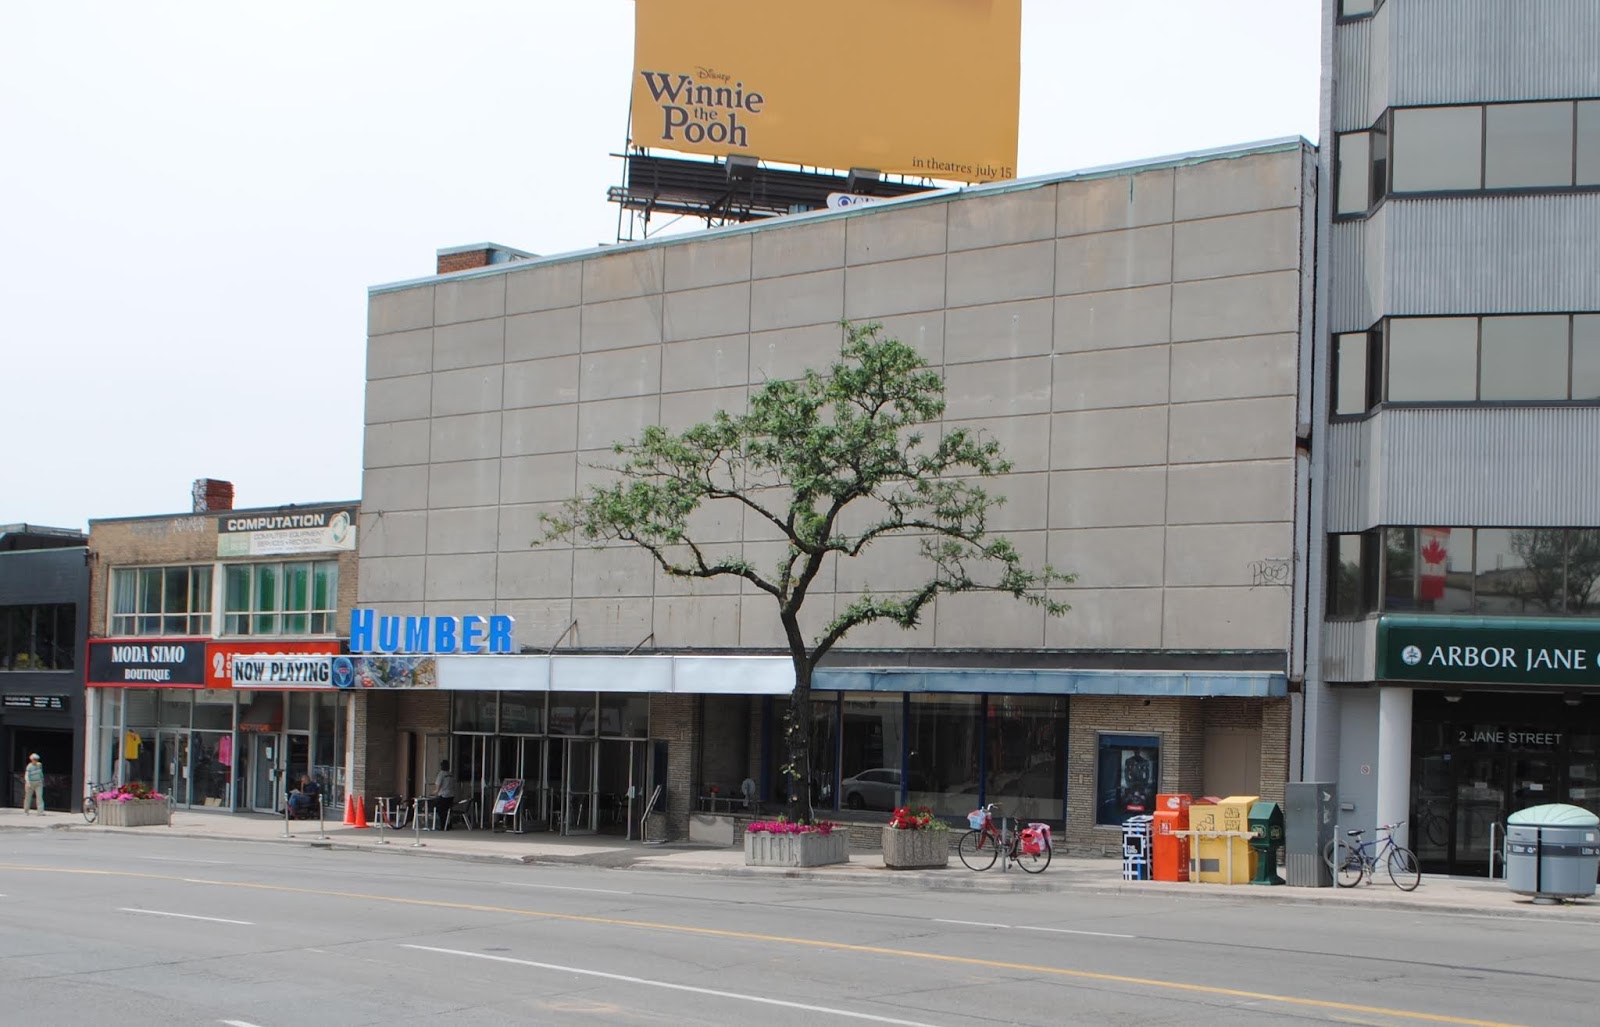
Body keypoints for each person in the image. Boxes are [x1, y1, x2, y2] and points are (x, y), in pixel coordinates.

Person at [433, 760, 456, 831]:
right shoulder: (450, 774)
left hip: (443, 795)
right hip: (451, 795)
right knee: (448, 810)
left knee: (440, 810)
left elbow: (438, 785)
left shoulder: (441, 774)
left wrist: (435, 792)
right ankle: (449, 824)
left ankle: (442, 825)